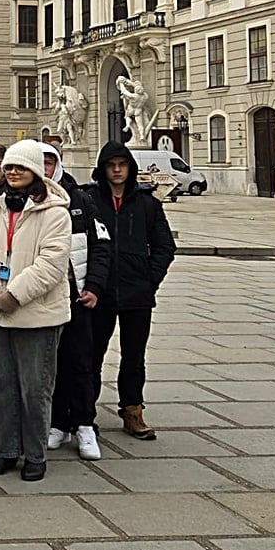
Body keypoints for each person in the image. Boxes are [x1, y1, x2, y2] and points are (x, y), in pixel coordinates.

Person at [0, 139, 73, 482]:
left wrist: (15, 294)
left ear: (35, 172)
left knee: (35, 387)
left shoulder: (55, 213)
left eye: (20, 167)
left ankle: (35, 453)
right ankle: (7, 449)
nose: (12, 172)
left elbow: (52, 264)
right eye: (9, 167)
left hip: (37, 314)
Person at [84, 139, 176, 441]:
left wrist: (151, 279)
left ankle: (133, 410)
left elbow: (164, 246)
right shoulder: (90, 201)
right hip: (100, 291)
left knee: (134, 356)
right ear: (103, 169)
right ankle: (85, 414)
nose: (117, 170)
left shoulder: (147, 203)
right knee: (92, 354)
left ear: (131, 168)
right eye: (111, 165)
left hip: (137, 292)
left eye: (122, 165)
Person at [40, 144, 111, 461]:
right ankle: (57, 422)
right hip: (43, 298)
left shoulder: (82, 199)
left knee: (81, 363)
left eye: (49, 161)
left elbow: (101, 247)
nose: (44, 167)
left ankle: (84, 423)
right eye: (38, 161)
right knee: (50, 365)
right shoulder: (26, 198)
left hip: (78, 296)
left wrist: (94, 286)